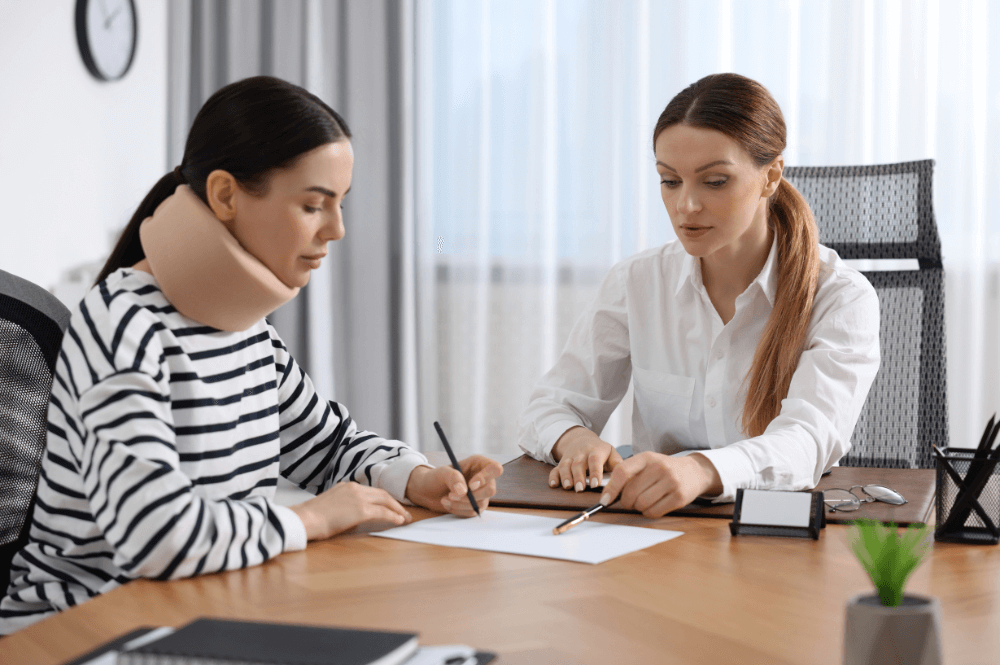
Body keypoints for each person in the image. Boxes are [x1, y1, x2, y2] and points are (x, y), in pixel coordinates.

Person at [0, 76, 502, 634]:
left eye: (339, 206)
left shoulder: (247, 329)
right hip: (83, 625)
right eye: (314, 205)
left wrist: (417, 479)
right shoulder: (122, 324)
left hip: (207, 605)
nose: (336, 230)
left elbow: (327, 444)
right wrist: (308, 518)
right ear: (224, 195)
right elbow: (156, 536)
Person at [518, 73, 880, 519]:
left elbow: (807, 440)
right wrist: (574, 439)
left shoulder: (840, 296)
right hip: (654, 528)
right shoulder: (637, 281)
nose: (686, 206)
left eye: (714, 182)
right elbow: (551, 405)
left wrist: (700, 471)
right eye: (670, 181)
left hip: (775, 534)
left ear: (771, 177)